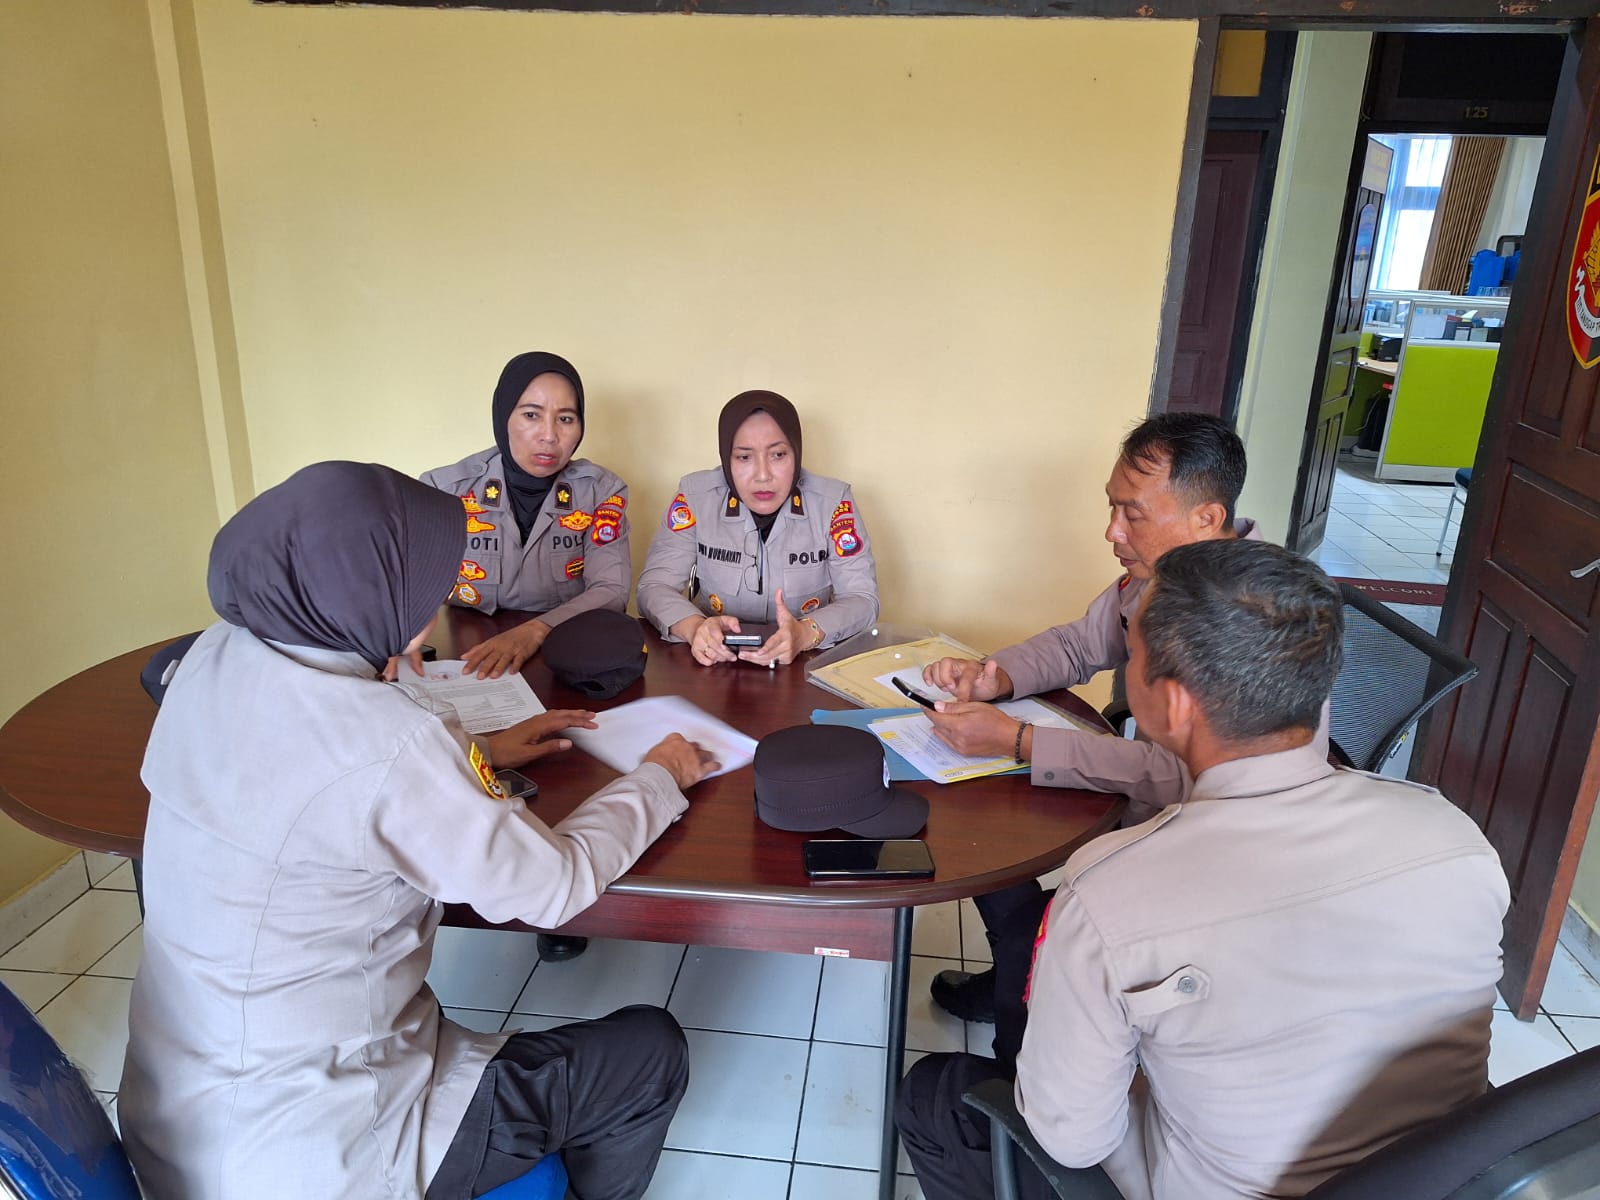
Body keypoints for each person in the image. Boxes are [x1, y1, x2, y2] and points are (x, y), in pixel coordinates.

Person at [120, 461, 717, 1200]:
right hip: (324, 1152)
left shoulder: (209, 658)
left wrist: (474, 751)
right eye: (426, 589)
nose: (432, 610)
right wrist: (659, 777)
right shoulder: (390, 745)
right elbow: (552, 885)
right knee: (649, 1052)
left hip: (174, 1121)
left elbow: (303, 767)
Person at [896, 539, 1509, 1200]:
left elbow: (1073, 1140)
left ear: (1175, 704)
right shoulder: (1454, 836)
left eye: (1132, 656)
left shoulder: (1108, 894)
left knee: (933, 1094)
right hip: (1444, 1184)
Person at [922, 414, 1263, 1043]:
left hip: (1204, 844)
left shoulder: (1249, 619)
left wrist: (1019, 742)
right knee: (985, 832)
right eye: (1112, 506)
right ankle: (1014, 982)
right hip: (1148, 802)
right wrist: (993, 676)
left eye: (1133, 513)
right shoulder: (1162, 576)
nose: (1112, 530)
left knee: (1015, 888)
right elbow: (1080, 644)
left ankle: (1017, 1053)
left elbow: (1181, 776)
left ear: (1207, 519)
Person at [421, 351, 633, 681]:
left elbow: (611, 590)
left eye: (566, 419)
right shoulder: (446, 489)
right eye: (531, 415)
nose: (549, 435)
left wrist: (537, 630)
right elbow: (405, 586)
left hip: (561, 647)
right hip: (466, 654)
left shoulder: (600, 491)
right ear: (503, 416)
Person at [636, 389, 880, 667]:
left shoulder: (833, 502)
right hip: (714, 662)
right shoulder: (696, 497)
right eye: (744, 457)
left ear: (796, 452)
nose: (763, 475)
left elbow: (862, 599)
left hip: (803, 664)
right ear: (726, 457)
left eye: (778, 454)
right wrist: (694, 628)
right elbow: (654, 587)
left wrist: (806, 632)